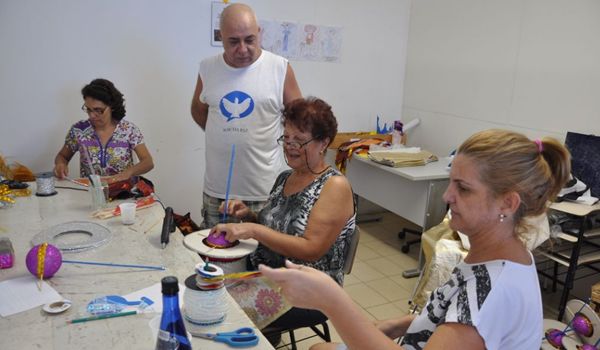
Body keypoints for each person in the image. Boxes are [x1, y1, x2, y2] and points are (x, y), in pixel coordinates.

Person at [260, 129, 571, 350]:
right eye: (451, 183)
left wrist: (332, 300)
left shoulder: (490, 293)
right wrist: (400, 324)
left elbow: (471, 315)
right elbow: (451, 313)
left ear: (507, 203)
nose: (447, 196)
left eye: (463, 188)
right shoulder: (503, 257)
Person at [211, 97, 356, 333]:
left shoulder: (334, 186)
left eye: (299, 140)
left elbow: (312, 249)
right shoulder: (285, 177)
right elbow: (275, 228)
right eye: (286, 138)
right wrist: (248, 216)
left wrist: (255, 230)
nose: (290, 146)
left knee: (220, 307)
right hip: (266, 272)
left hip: (309, 288)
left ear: (323, 143)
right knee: (207, 283)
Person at [190, 3, 302, 229]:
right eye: (233, 41)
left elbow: (299, 119)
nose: (242, 49)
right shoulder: (207, 68)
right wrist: (224, 133)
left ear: (259, 33)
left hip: (264, 190)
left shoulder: (279, 68)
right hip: (217, 191)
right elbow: (198, 110)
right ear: (221, 36)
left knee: (264, 258)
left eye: (249, 39)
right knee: (216, 255)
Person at [54, 78, 154, 183]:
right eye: (88, 109)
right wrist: (61, 164)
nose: (92, 115)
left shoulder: (128, 130)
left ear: (111, 106)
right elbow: (62, 156)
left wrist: (127, 173)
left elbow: (148, 162)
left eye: (98, 110)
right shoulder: (78, 130)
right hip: (91, 193)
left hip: (123, 193)